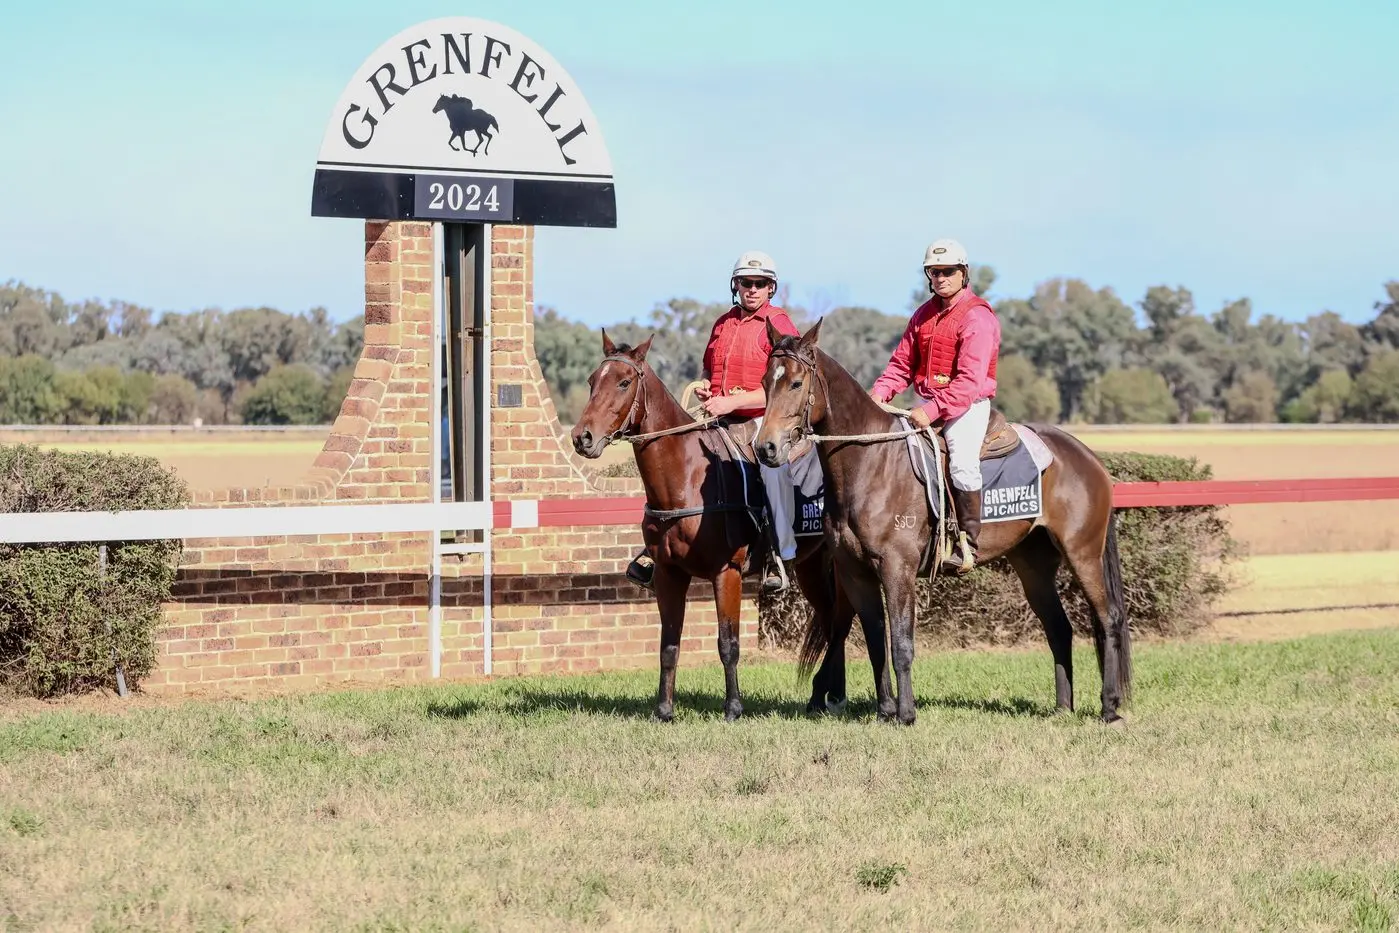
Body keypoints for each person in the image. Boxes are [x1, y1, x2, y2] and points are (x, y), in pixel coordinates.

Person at [626, 250, 801, 594]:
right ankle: (655, 547)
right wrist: (707, 384)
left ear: (771, 288)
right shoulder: (722, 323)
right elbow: (709, 367)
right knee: (675, 463)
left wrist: (732, 401)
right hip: (718, 417)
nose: (752, 289)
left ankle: (779, 555)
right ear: (735, 285)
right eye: (745, 283)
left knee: (771, 470)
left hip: (762, 420)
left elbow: (782, 389)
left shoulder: (780, 324)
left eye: (760, 283)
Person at [868, 239, 1001, 573]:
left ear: (963, 273)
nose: (941, 278)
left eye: (948, 271)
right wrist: (878, 396)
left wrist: (930, 410)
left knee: (962, 465)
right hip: (926, 404)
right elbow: (900, 365)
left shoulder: (977, 317)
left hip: (966, 407)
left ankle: (967, 544)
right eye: (934, 272)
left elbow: (968, 383)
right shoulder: (923, 314)